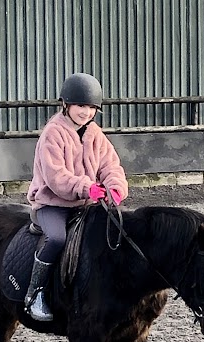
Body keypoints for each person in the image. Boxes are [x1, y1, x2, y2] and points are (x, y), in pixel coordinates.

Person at [25, 72, 129, 322]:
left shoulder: (95, 134)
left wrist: (115, 187)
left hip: (87, 204)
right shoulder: (53, 133)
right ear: (66, 104)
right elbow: (55, 176)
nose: (86, 112)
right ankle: (35, 294)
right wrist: (86, 187)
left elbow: (110, 165)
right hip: (52, 204)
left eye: (92, 108)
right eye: (81, 106)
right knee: (56, 239)